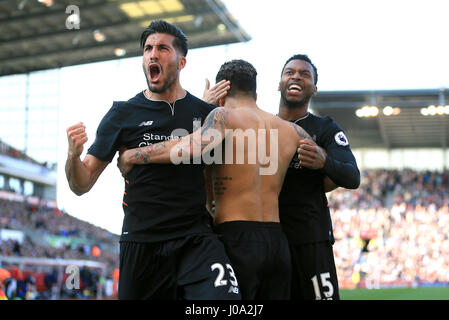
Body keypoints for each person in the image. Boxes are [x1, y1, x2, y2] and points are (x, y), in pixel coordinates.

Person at [65, 20, 241, 300]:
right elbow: (81, 183)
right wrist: (73, 156)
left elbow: (200, 150)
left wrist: (136, 155)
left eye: (162, 48)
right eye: (147, 49)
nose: (152, 55)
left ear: (181, 61)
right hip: (142, 243)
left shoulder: (205, 112)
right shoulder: (121, 114)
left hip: (195, 239)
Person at [117, 59, 315, 299]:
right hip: (277, 243)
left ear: (223, 92)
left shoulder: (223, 115)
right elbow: (329, 171)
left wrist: (134, 156)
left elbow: (193, 146)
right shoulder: (290, 130)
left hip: (237, 238)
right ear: (255, 92)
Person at [277, 54, 360, 300]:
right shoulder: (262, 126)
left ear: (314, 88)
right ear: (279, 82)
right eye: (289, 72)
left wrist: (324, 162)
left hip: (311, 241)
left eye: (304, 74)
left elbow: (352, 176)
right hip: (270, 239)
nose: (296, 77)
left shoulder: (325, 128)